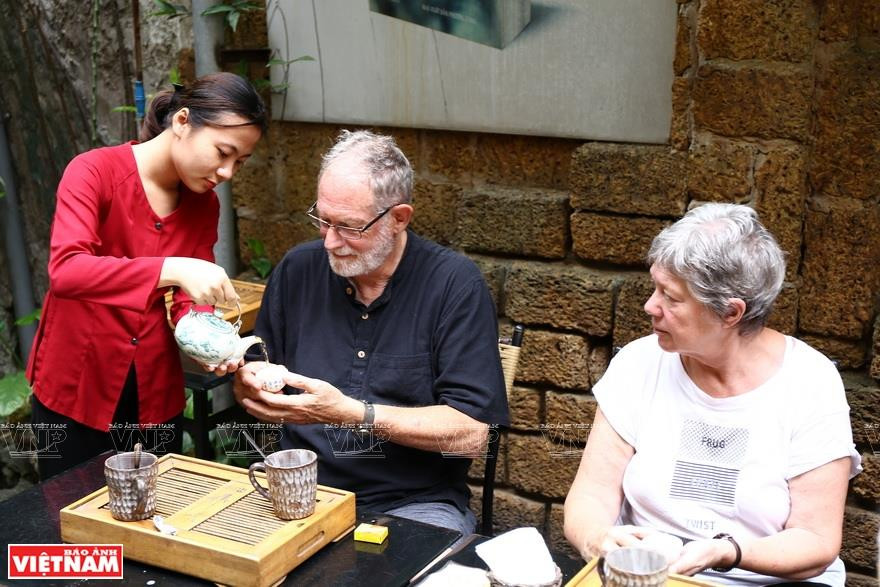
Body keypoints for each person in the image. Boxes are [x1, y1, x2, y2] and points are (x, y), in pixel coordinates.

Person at [563, 203, 861, 586]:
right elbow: (591, 495)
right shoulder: (640, 362)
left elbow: (816, 541)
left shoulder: (809, 381)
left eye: (670, 297)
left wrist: (726, 552)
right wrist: (598, 538)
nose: (650, 306)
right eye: (655, 288)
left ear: (731, 313)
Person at [233, 130, 509, 537]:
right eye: (323, 220)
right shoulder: (297, 270)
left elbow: (472, 434)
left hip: (414, 502)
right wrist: (250, 384)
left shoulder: (453, 285)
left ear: (399, 219)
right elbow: (255, 373)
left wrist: (352, 414)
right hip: (300, 490)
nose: (330, 241)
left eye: (348, 227)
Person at [26, 72, 266, 480]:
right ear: (182, 121)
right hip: (76, 386)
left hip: (154, 392)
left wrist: (210, 342)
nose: (227, 173)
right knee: (74, 522)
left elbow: (191, 299)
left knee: (155, 521)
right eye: (223, 152)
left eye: (239, 162)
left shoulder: (203, 205)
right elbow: (67, 270)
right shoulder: (93, 171)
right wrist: (170, 269)